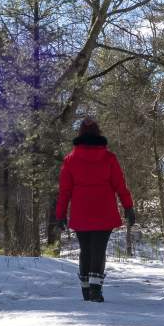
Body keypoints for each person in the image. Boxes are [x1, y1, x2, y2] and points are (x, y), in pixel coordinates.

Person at [55, 117, 135, 302]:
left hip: (81, 211)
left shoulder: (70, 159)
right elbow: (120, 185)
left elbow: (64, 191)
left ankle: (85, 289)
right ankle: (95, 290)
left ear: (80, 134)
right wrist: (128, 206)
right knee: (99, 249)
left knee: (86, 250)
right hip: (104, 210)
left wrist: (60, 215)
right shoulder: (109, 158)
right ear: (99, 132)